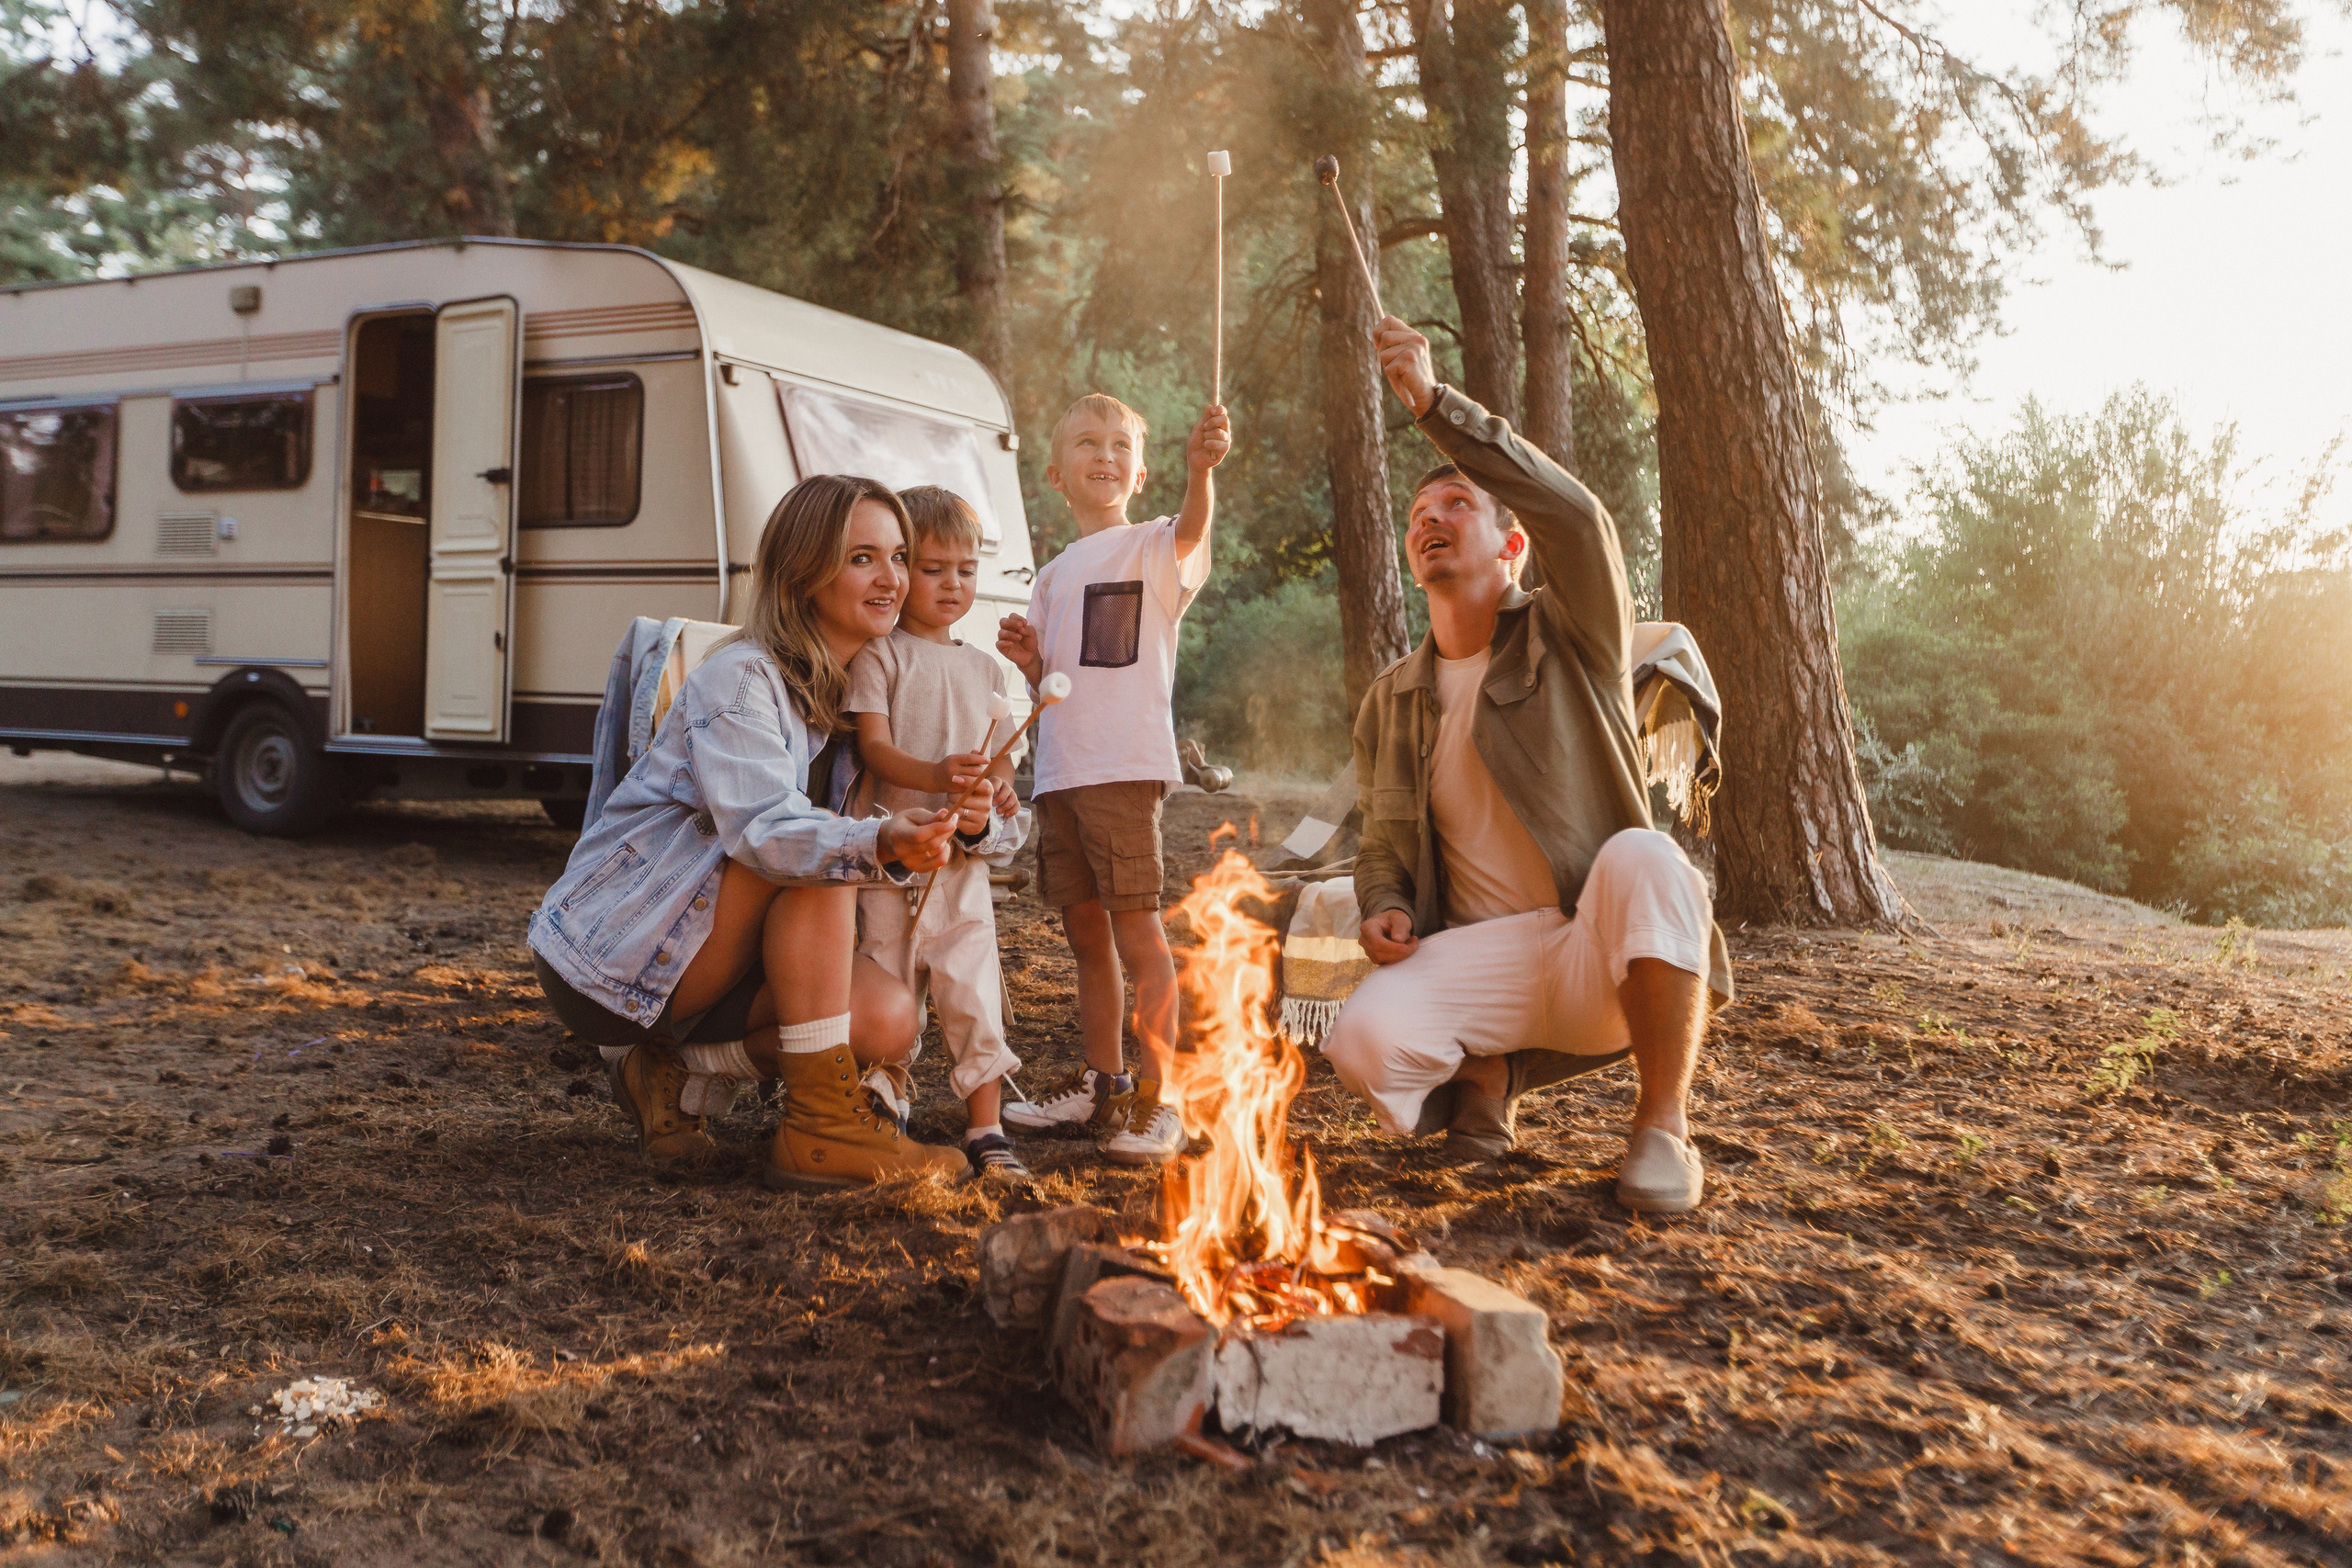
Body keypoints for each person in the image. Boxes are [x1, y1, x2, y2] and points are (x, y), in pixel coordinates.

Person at [1318, 319, 1735, 1215]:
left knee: (1648, 859)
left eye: (1456, 506)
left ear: (1511, 546)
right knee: (1361, 1039)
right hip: (1481, 961)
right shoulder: (1391, 699)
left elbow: (1575, 516)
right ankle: (1488, 1071)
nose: (1430, 519)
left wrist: (1433, 408)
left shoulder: (1570, 631)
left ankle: (1662, 1124)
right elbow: (1385, 842)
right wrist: (1385, 902)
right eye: (1418, 516)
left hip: (1591, 943)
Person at [526, 474, 978, 1190]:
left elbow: (928, 835)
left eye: (898, 555)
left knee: (889, 1021)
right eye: (862, 557)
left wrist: (963, 814)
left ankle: (671, 1065)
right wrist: (880, 840)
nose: (891, 576)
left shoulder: (859, 697)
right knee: (817, 848)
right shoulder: (741, 680)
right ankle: (820, 1130)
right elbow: (768, 834)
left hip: (712, 951)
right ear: (804, 571)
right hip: (618, 955)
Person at [996, 394, 1232, 1165]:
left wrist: (1202, 473)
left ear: (1141, 468)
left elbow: (1196, 526)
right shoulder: (1053, 574)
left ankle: (1164, 1102)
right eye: (1087, 444)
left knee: (1140, 935)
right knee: (1084, 934)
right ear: (1057, 475)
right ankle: (1105, 1083)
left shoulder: (1155, 546)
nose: (1104, 454)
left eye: (1119, 444)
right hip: (1061, 774)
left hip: (1124, 771)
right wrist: (1033, 663)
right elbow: (1052, 686)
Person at [847, 486, 1032, 1180]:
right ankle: (881, 1103)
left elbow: (1003, 757)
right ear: (902, 570)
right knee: (888, 979)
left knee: (974, 990)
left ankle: (986, 1125)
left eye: (966, 569)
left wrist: (999, 789)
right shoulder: (881, 655)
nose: (952, 583)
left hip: (961, 869)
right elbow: (874, 749)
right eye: (933, 568)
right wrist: (932, 770)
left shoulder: (986, 667)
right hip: (889, 862)